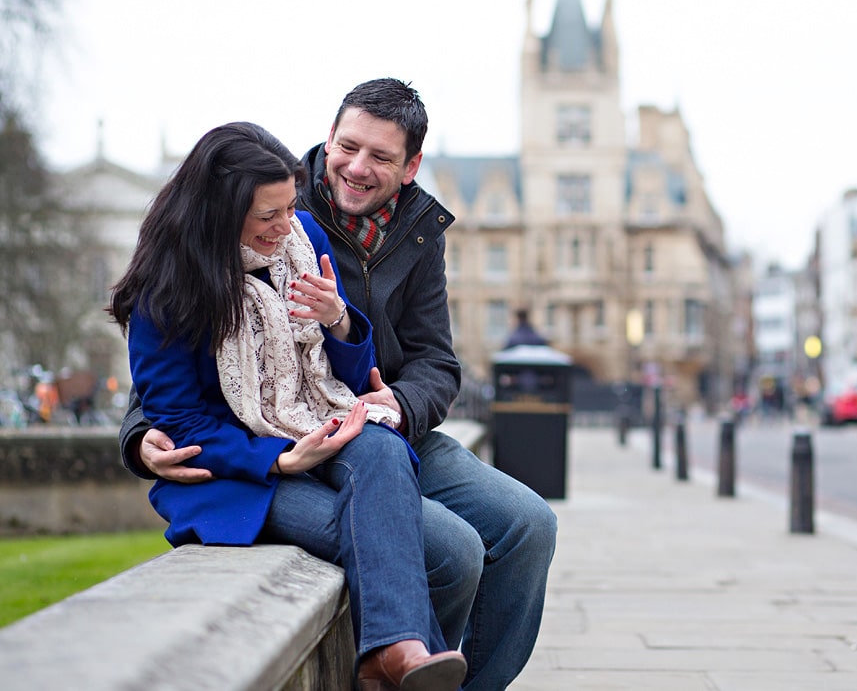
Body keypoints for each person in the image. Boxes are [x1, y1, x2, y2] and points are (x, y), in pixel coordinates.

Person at [119, 80, 558, 691]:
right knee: (450, 551)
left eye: (380, 156)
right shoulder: (272, 201)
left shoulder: (393, 232)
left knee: (528, 524)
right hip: (269, 447)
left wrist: (388, 390)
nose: (356, 166)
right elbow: (167, 400)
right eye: (346, 147)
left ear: (410, 166)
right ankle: (399, 658)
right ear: (327, 140)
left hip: (360, 422)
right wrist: (140, 435)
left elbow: (434, 360)